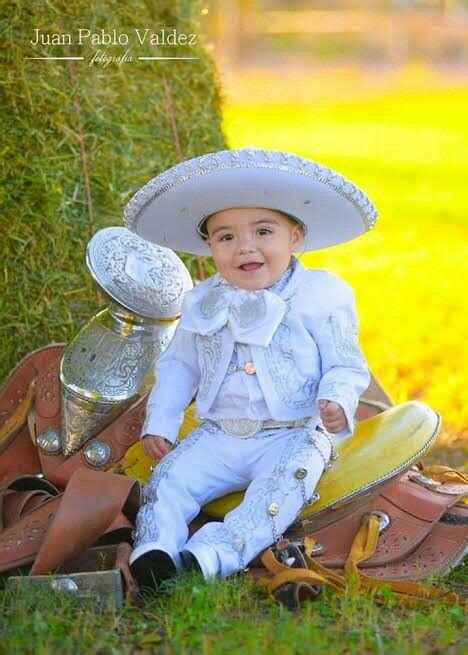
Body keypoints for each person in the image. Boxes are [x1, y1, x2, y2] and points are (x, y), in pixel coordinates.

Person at [124, 147, 377, 590]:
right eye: (226, 237)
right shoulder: (202, 301)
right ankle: (156, 550)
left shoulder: (320, 295)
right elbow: (179, 365)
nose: (246, 247)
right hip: (221, 434)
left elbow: (345, 361)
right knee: (168, 479)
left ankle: (213, 554)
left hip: (292, 432)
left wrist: (337, 400)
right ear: (209, 246)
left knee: (279, 492)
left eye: (264, 231)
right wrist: (161, 421)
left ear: (295, 237)